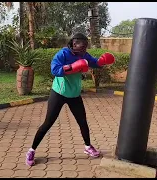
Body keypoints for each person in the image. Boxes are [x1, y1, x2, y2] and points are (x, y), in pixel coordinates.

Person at [25, 33, 115, 166]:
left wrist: (101, 62)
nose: (83, 48)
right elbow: (54, 70)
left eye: (85, 45)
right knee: (48, 123)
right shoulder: (63, 54)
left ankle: (87, 146)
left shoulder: (84, 55)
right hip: (59, 93)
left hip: (74, 94)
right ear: (73, 43)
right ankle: (31, 150)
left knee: (82, 121)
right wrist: (73, 67)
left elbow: (94, 62)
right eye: (80, 44)